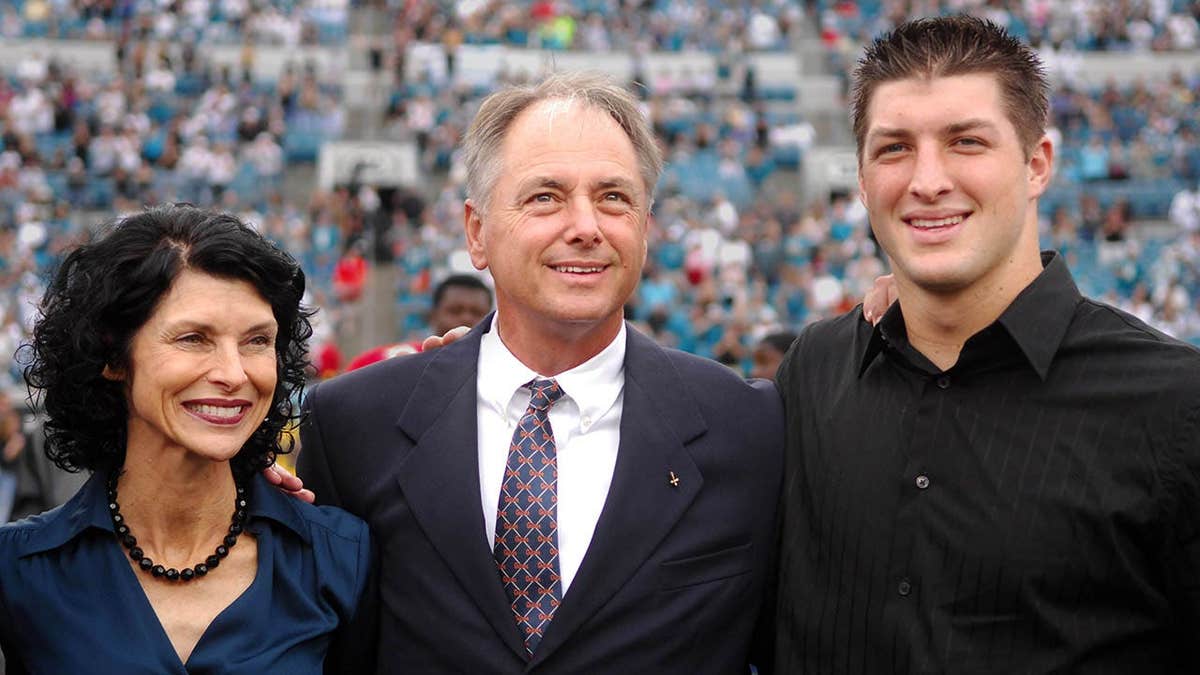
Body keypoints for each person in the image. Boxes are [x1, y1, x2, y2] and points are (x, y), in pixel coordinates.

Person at [297, 72, 782, 673]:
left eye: (613, 197)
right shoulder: (352, 424)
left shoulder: (749, 426)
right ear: (477, 233)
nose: (585, 226)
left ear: (645, 231)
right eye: (545, 196)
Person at [774, 16, 1200, 673]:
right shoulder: (813, 373)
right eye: (893, 150)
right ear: (861, 182)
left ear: (1037, 165)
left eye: (965, 142)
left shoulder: (1174, 405)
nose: (928, 180)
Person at [0, 205, 373, 673]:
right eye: (194, 338)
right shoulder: (19, 569)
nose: (234, 374)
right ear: (113, 355)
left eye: (257, 341)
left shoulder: (340, 557)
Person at [344, 273, 493, 371]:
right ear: (433, 315)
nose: (466, 319)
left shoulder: (501, 372)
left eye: (477, 313)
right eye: (455, 310)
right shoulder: (379, 363)